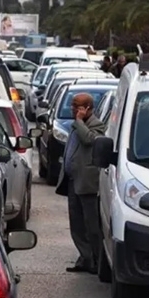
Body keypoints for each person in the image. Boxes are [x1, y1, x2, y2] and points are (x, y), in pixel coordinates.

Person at [56, 93, 106, 274]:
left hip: (87, 183)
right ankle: (84, 258)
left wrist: (79, 121)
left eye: (77, 107)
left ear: (88, 108)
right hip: (73, 180)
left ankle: (96, 260)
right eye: (73, 106)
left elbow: (90, 140)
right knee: (76, 223)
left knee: (91, 225)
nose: (73, 110)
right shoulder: (76, 125)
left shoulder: (96, 125)